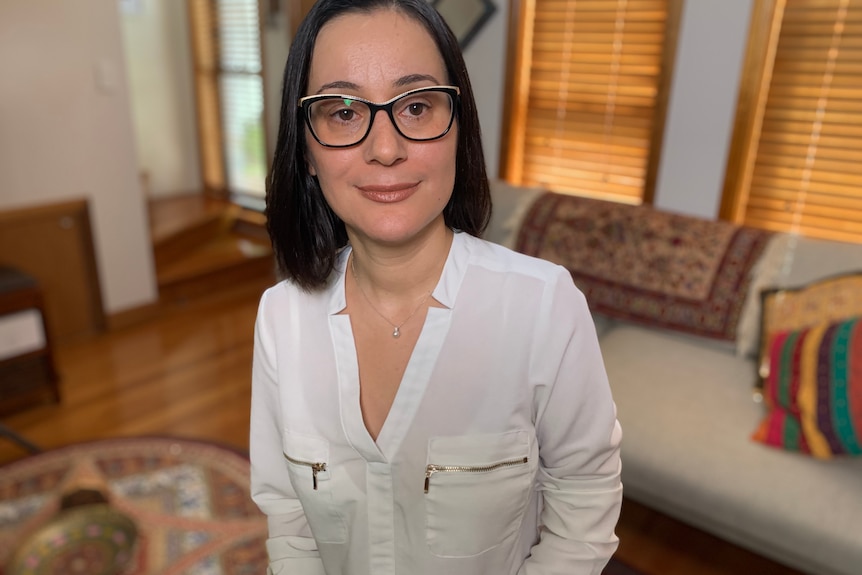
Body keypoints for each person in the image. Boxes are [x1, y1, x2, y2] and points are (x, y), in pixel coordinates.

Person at [249, 1, 623, 573]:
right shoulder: (281, 318)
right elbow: (289, 521)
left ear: (458, 128)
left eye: (417, 106)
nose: (385, 148)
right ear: (306, 151)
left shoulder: (543, 307)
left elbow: (585, 500)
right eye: (344, 112)